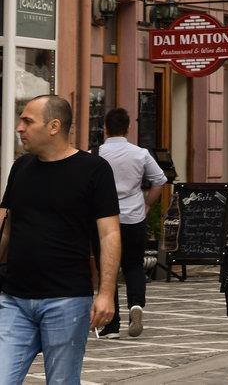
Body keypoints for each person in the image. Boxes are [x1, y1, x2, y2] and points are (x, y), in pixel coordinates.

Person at [0, 95, 120, 384]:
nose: (19, 128)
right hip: (14, 298)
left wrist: (106, 293)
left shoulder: (93, 170)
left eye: (27, 121)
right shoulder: (21, 167)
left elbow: (110, 233)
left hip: (66, 300)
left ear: (53, 126)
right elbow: (6, 227)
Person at [97, 106, 167, 339]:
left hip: (105, 220)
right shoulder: (140, 153)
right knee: (134, 265)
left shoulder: (96, 154)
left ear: (105, 129)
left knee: (108, 269)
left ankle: (111, 325)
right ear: (128, 128)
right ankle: (135, 306)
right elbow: (159, 180)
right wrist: (147, 204)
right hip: (134, 217)